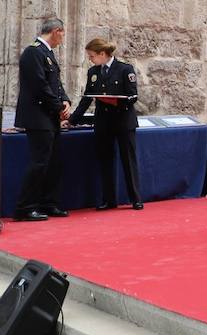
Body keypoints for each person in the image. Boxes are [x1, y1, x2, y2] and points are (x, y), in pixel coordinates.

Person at [71, 38, 143, 210]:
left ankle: (135, 198)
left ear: (103, 54)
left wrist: (116, 101)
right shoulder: (93, 72)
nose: (90, 59)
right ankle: (108, 199)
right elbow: (87, 98)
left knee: (128, 160)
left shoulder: (125, 69)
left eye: (92, 56)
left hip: (123, 121)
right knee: (105, 161)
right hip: (103, 122)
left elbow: (133, 96)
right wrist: (73, 119)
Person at [14, 18, 71, 221]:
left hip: (49, 116)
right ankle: (25, 207)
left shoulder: (47, 54)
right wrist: (58, 108)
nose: (63, 38)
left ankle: (49, 202)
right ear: (56, 31)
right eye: (63, 34)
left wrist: (65, 101)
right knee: (39, 162)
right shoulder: (33, 52)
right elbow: (39, 85)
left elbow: (55, 83)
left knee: (53, 162)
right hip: (38, 116)